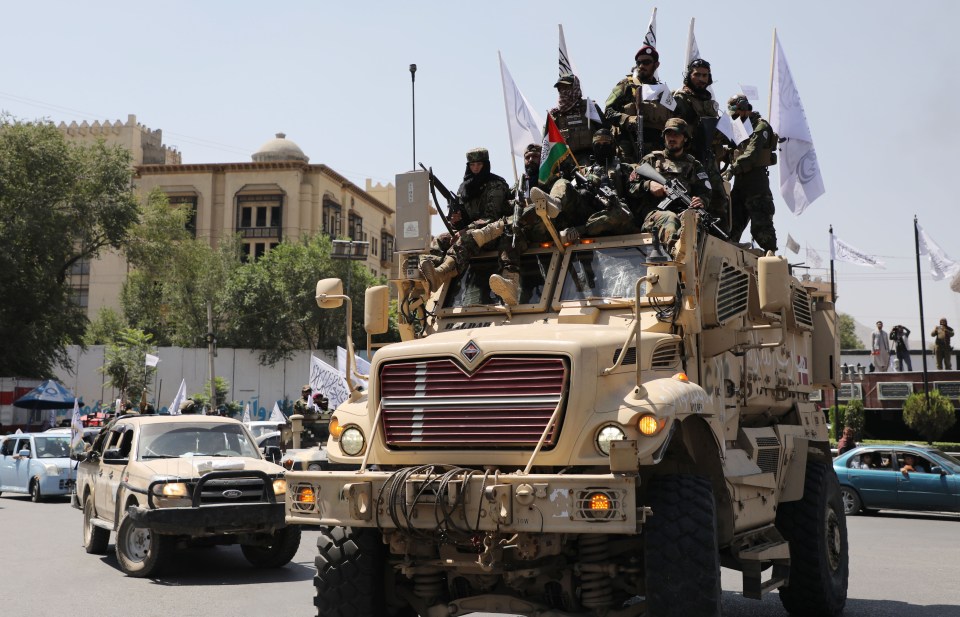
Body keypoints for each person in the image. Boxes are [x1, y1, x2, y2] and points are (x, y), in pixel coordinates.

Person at [420, 148, 510, 290]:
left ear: (485, 165)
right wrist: (456, 220)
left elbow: (491, 217)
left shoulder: (496, 184)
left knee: (466, 238)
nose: (475, 168)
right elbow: (463, 219)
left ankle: (441, 273)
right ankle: (425, 272)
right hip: (469, 232)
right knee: (441, 238)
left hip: (493, 234)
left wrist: (464, 230)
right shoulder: (464, 188)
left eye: (479, 164)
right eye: (472, 165)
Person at [629, 117, 712, 247]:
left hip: (683, 211)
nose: (672, 138)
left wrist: (701, 200)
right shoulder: (650, 160)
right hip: (653, 213)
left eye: (676, 134)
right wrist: (648, 185)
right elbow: (631, 187)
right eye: (669, 134)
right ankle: (674, 260)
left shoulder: (694, 165)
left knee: (693, 222)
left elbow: (705, 191)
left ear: (685, 138)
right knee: (670, 219)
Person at [673, 59, 731, 232]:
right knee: (693, 197)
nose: (701, 79)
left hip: (708, 155)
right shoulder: (681, 98)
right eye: (697, 74)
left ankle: (720, 236)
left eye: (705, 75)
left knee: (719, 197)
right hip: (689, 156)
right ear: (689, 76)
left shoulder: (709, 102)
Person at [722, 95, 777, 252]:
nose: (736, 118)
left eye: (738, 113)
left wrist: (732, 169)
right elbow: (734, 151)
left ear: (744, 108)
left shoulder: (761, 127)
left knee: (762, 231)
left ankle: (773, 266)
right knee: (731, 227)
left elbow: (751, 154)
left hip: (756, 185)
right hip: (740, 185)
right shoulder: (740, 127)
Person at [604, 45, 676, 163]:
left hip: (657, 149)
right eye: (639, 63)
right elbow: (608, 111)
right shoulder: (626, 85)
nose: (642, 66)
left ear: (656, 65)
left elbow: (674, 117)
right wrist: (627, 119)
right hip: (630, 146)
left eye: (646, 62)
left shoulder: (663, 91)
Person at [549, 74, 606, 163]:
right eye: (560, 88)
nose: (563, 91)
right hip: (566, 162)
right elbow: (548, 145)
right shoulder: (555, 115)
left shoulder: (590, 107)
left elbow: (605, 131)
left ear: (574, 87)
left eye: (566, 87)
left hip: (592, 159)